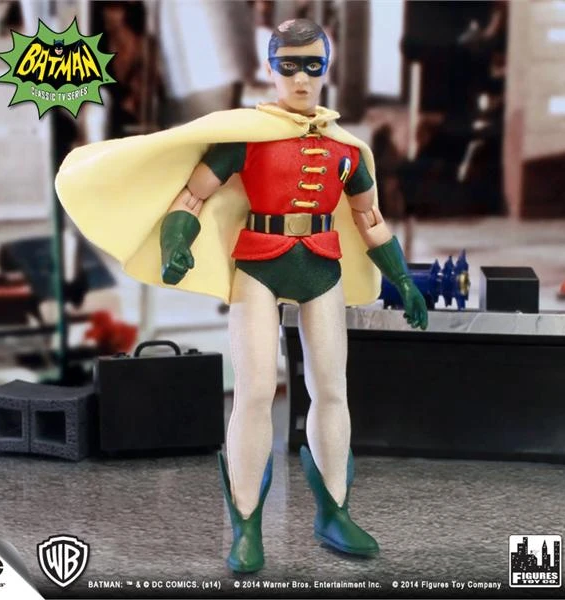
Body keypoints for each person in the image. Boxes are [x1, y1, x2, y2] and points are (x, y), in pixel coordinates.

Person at [56, 19, 427, 574]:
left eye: (312, 66)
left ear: (326, 69)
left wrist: (403, 279)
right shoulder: (246, 136)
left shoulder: (345, 149)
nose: (300, 79)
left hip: (321, 264)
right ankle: (247, 523)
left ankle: (334, 511)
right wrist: (176, 245)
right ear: (271, 68)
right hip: (258, 263)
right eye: (289, 66)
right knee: (254, 392)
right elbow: (192, 196)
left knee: (332, 391)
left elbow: (369, 219)